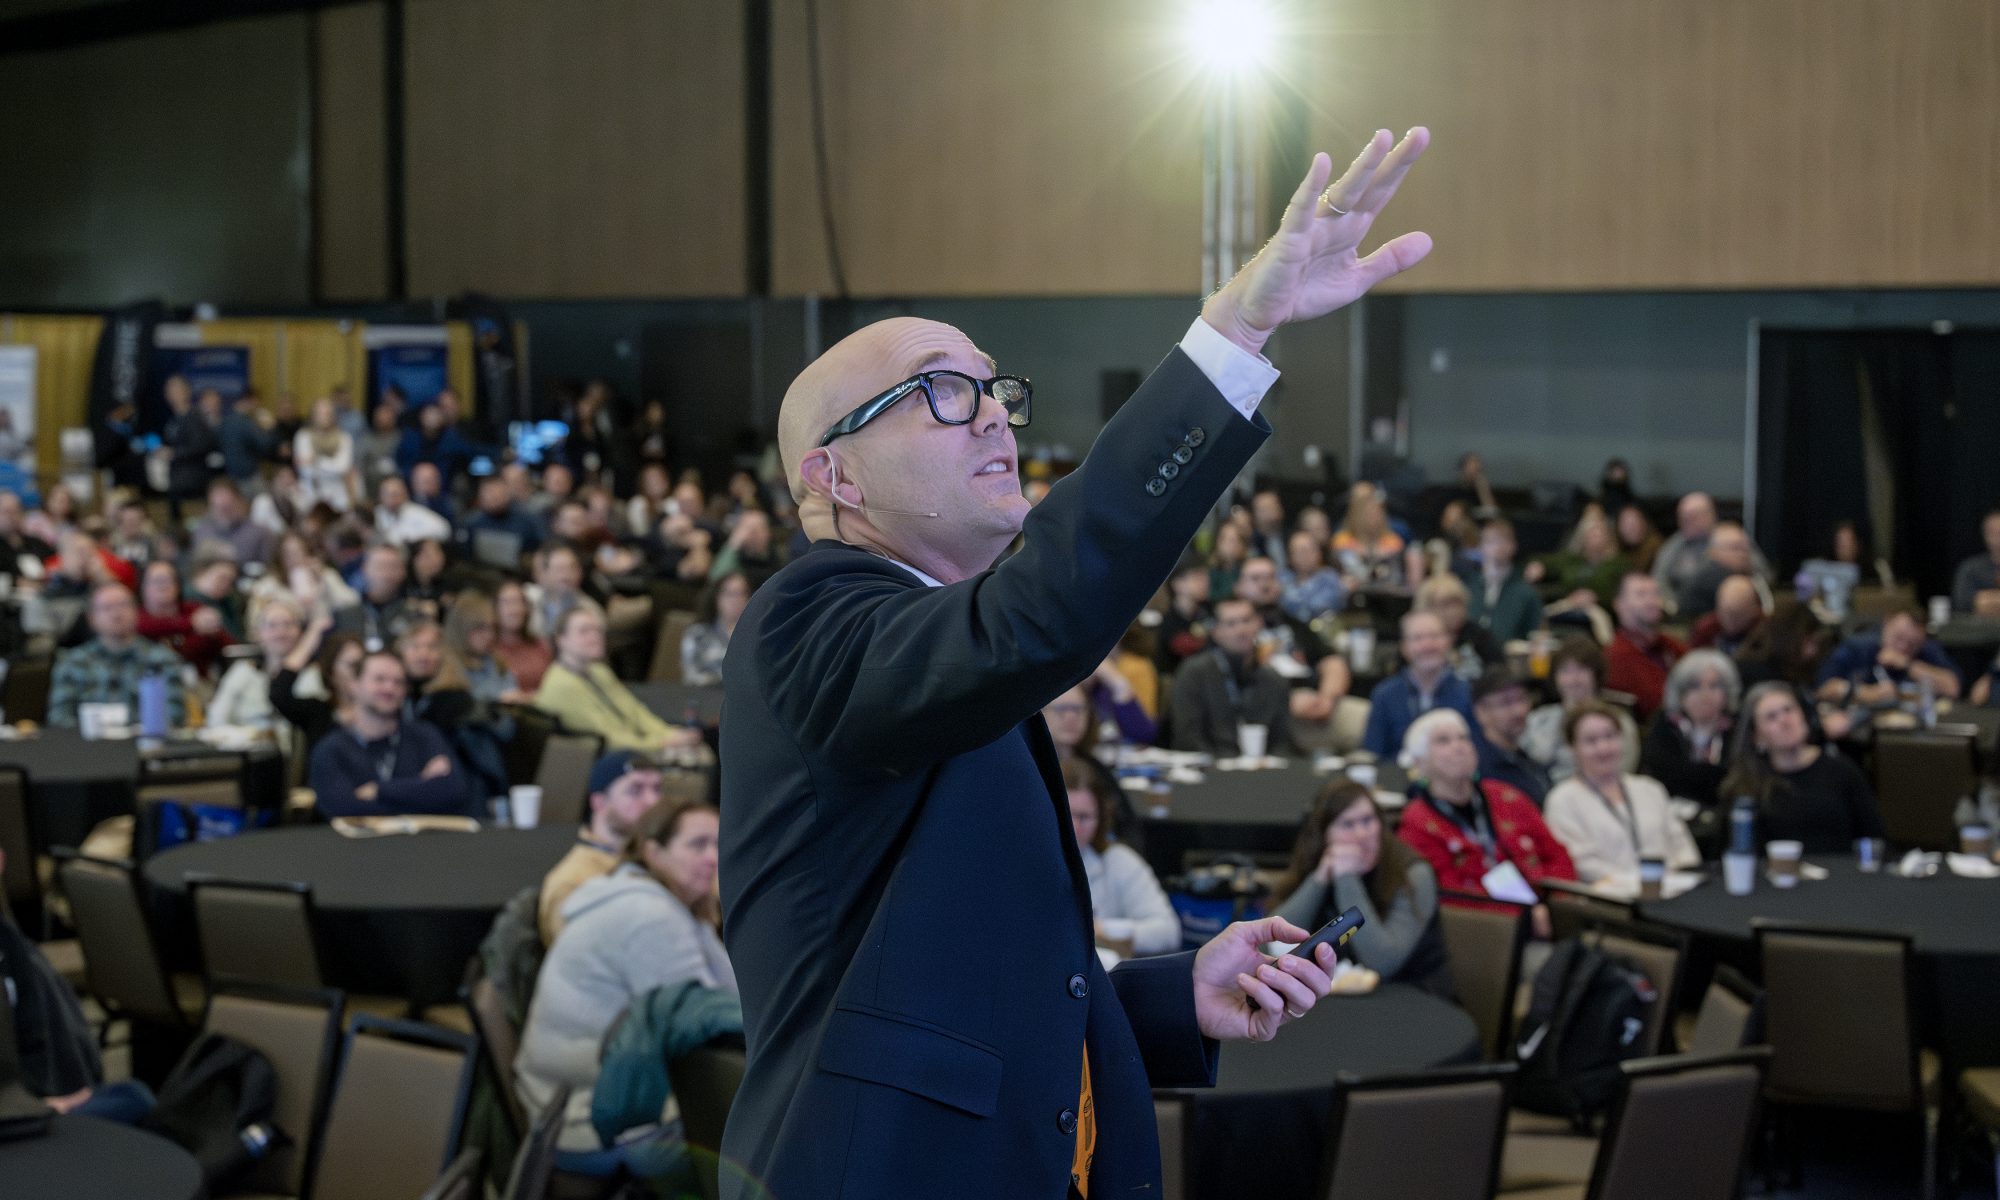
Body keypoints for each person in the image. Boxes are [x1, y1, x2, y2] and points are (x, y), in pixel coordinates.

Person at [718, 130, 1431, 1198]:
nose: (994, 412)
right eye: (941, 392)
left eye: (994, 389)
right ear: (835, 478)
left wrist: (1173, 991)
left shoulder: (941, 643)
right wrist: (1234, 330)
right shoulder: (807, 623)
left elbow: (959, 980)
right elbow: (1040, 614)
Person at [516, 797, 733, 1171]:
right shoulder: (651, 917)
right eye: (697, 845)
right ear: (654, 851)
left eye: (718, 844)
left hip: (554, 1099)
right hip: (583, 1121)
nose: (713, 858)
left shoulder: (630, 889)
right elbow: (708, 1028)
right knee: (743, 1142)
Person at [1394, 709, 1574, 935]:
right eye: (1443, 741)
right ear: (1419, 763)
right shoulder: (1416, 823)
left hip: (1545, 910)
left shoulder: (1507, 796)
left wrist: (1557, 906)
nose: (1459, 746)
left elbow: (1557, 855)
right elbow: (1449, 895)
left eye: (1463, 738)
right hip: (1482, 931)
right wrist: (1525, 917)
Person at [1269, 780, 1452, 996]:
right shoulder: (1317, 864)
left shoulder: (1413, 873)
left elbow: (1382, 961)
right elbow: (1271, 943)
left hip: (1412, 997)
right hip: (1338, 999)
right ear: (1324, 835)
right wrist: (1320, 878)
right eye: (1347, 824)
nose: (1362, 834)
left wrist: (1347, 878)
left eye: (1368, 820)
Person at [1543, 701, 1699, 888]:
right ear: (1572, 747)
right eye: (1591, 741)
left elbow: (1681, 843)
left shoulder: (1650, 789)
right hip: (1609, 902)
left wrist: (1680, 876)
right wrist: (1637, 883)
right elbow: (1582, 863)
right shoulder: (1562, 800)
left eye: (1610, 736)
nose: (1603, 748)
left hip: (1671, 890)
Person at [1720, 682, 1885, 854]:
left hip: (1841, 875)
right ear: (1756, 737)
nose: (1784, 720)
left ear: (1804, 716)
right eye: (1771, 717)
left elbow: (1875, 839)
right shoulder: (1745, 785)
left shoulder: (1842, 771)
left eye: (1789, 710)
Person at [307, 651, 475, 819]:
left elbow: (453, 790)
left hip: (423, 844)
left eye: (398, 682)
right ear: (354, 685)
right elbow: (341, 808)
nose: (389, 688)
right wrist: (420, 787)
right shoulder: (331, 749)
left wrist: (378, 790)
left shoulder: (424, 735)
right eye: (379, 679)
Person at [538, 750, 669, 944]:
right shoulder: (572, 882)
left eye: (657, 789)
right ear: (599, 802)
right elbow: (584, 960)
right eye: (635, 790)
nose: (653, 801)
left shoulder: (664, 859)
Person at [535, 605, 703, 755]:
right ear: (560, 639)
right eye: (584, 631)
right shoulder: (562, 685)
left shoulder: (598, 671)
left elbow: (635, 712)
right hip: (599, 760)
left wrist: (668, 733)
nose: (595, 636)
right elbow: (607, 738)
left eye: (598, 630)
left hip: (631, 746)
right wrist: (661, 743)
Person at [1062, 758, 1179, 958]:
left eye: (1084, 817)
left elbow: (1168, 932)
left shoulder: (1119, 861)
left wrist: (1103, 929)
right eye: (1065, 815)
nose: (1074, 828)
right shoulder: (1021, 863)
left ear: (1101, 819)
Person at [48, 584, 187, 729]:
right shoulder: (73, 662)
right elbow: (59, 717)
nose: (116, 614)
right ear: (92, 618)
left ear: (136, 612)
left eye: (123, 605)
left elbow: (174, 715)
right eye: (107, 608)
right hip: (87, 746)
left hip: (143, 745)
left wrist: (124, 726)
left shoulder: (162, 660)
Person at [1168, 597, 1293, 755]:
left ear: (1259, 624)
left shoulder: (1274, 680)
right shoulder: (1193, 673)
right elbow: (1187, 739)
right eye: (1231, 623)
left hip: (1261, 770)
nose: (1241, 630)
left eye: (1246, 621)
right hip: (1210, 769)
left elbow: (1281, 742)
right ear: (1216, 631)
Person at [1522, 637, 1640, 783]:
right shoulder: (1538, 719)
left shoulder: (1619, 721)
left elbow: (1623, 770)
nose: (1573, 680)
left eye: (1581, 670)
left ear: (1596, 675)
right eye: (1565, 671)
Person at [1361, 610, 1475, 758]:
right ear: (1404, 648)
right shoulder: (1385, 694)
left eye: (1434, 636)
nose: (1427, 645)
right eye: (1417, 638)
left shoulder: (1468, 693)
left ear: (1448, 642)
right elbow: (1373, 753)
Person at [1641, 649, 1739, 810]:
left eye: (1714, 686)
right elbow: (1662, 774)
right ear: (1680, 693)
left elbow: (1734, 782)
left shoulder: (1737, 728)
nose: (1705, 695)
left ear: (1727, 693)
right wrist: (1711, 775)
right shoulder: (1665, 724)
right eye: (1694, 686)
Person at [1815, 606, 1962, 706]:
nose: (1903, 647)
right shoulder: (1857, 646)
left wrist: (1908, 665)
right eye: (1898, 638)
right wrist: (1866, 693)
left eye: (1912, 644)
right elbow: (1825, 689)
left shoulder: (1927, 650)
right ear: (1886, 625)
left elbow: (1952, 688)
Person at [207, 595, 305, 732]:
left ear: (300, 632)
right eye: (272, 625)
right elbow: (216, 719)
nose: (281, 632)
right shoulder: (243, 671)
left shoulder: (312, 674)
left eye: (288, 625)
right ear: (258, 633)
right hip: (248, 746)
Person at [269, 618, 364, 752]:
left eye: (363, 665)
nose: (360, 672)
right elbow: (278, 693)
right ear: (331, 673)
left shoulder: (379, 711)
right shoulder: (317, 712)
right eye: (352, 665)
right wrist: (311, 640)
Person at [1604, 572, 1684, 720]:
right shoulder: (1615, 658)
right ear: (1619, 604)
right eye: (1641, 594)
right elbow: (1653, 704)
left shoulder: (1673, 647)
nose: (1651, 601)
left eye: (1655, 594)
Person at [134, 560, 234, 678]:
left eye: (169, 580)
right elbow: (143, 627)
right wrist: (191, 624)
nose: (163, 586)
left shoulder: (195, 610)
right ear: (142, 586)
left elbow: (228, 646)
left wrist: (214, 632)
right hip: (149, 683)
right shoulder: (136, 617)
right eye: (157, 581)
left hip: (200, 685)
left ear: (178, 585)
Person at [1472, 668, 1550, 808]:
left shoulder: (1528, 759)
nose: (1518, 711)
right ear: (1481, 712)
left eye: (1521, 699)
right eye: (1505, 703)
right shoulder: (1477, 768)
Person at [1466, 518, 1543, 643]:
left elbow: (1535, 635)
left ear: (1513, 546)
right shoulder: (1468, 587)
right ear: (1481, 547)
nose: (1497, 547)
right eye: (1491, 542)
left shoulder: (1526, 593)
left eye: (1503, 541)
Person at [1413, 571, 1502, 680]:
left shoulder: (1479, 636)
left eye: (1458, 603)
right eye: (1446, 604)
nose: (1454, 611)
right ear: (1428, 607)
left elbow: (1499, 673)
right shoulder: (1417, 640)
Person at [443, 591, 522, 704]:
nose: (489, 635)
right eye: (480, 628)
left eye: (492, 627)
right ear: (462, 629)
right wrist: (499, 701)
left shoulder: (496, 661)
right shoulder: (447, 667)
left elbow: (514, 693)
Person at [332, 543, 411, 651]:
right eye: (380, 566)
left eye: (393, 566)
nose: (387, 574)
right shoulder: (344, 615)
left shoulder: (414, 616)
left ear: (403, 571)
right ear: (365, 569)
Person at [1677, 522, 1763, 621]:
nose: (1743, 554)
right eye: (1736, 548)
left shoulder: (1732, 573)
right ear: (1715, 552)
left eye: (1745, 548)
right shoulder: (1717, 577)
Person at [681, 571, 751, 687]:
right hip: (704, 696)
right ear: (717, 597)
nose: (736, 600)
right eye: (730, 594)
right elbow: (691, 676)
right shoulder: (698, 633)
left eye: (742, 594)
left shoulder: (755, 637)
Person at [190, 478, 277, 567]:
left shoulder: (260, 533)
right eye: (217, 507)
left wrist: (232, 556)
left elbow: (271, 568)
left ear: (240, 502)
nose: (222, 513)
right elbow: (196, 568)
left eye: (227, 507)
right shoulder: (202, 531)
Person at [294, 396, 355, 512]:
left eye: (327, 413)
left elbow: (343, 468)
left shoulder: (344, 438)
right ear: (312, 415)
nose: (324, 417)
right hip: (310, 492)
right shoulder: (303, 436)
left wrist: (316, 460)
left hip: (337, 493)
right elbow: (306, 471)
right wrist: (331, 465)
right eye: (320, 413)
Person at [493, 580, 554, 693]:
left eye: (518, 602)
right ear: (494, 608)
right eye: (507, 603)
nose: (515, 610)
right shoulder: (489, 649)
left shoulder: (540, 645)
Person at [1280, 528, 1346, 623]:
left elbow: (1319, 607)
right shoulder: (1284, 577)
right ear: (1290, 557)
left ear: (1319, 553)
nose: (1305, 556)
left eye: (1308, 550)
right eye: (1299, 552)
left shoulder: (1330, 577)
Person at [1690, 574, 1762, 657]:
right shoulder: (1705, 630)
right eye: (1726, 613)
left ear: (1754, 610)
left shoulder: (1763, 629)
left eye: (1737, 615)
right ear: (1717, 608)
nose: (1731, 621)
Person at [373, 475, 452, 546]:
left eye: (396, 494)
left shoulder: (416, 512)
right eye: (387, 494)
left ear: (405, 495)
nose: (392, 499)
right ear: (380, 496)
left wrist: (413, 540)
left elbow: (443, 529)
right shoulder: (375, 514)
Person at [1950, 509, 2000, 616]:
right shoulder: (1971, 568)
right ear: (1984, 535)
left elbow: (1980, 602)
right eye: (1993, 532)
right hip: (1979, 629)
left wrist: (1985, 599)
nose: (1997, 539)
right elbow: (1963, 603)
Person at [1614, 503, 1662, 574]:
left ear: (1644, 523)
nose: (1632, 529)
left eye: (1635, 522)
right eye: (1627, 525)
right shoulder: (1617, 553)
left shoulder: (1658, 549)